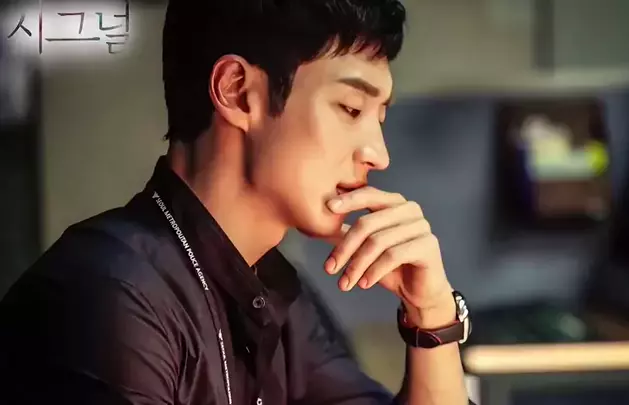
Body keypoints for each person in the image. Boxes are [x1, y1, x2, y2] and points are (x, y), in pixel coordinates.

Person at [0, 0, 474, 404]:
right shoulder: (112, 296)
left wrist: (431, 316)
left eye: (379, 117)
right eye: (351, 109)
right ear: (238, 92)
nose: (378, 154)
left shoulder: (281, 300)